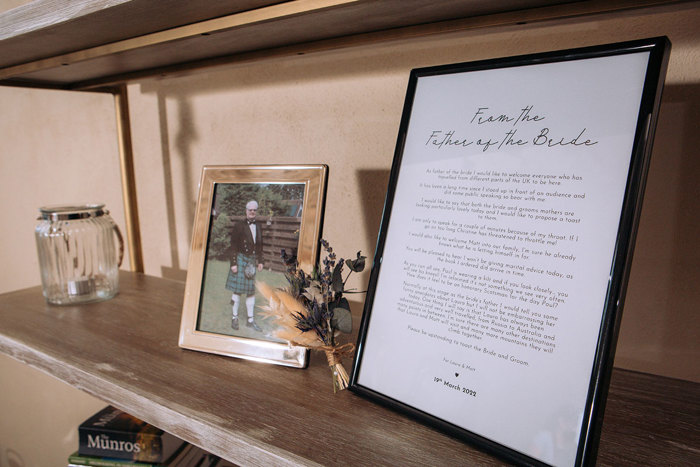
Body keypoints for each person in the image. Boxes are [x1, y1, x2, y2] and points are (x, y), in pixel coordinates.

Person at [225, 200, 264, 332]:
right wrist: (234, 263)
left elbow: (259, 245)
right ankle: (234, 318)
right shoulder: (239, 226)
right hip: (241, 259)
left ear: (256, 211)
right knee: (237, 290)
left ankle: (250, 321)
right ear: (246, 211)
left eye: (254, 210)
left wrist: (260, 261)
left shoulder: (258, 226)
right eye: (250, 210)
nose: (252, 212)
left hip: (251, 261)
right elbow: (233, 245)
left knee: (251, 292)